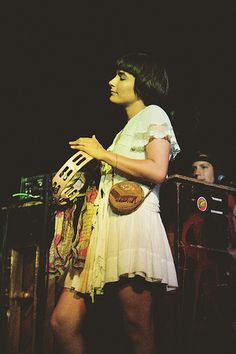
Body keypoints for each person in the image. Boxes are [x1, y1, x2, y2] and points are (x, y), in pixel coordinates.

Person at [49, 52, 180, 354]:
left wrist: (103, 154)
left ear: (142, 82)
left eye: (122, 76)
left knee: (136, 327)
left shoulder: (154, 114)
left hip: (132, 226)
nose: (112, 81)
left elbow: (158, 170)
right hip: (102, 229)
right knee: (63, 322)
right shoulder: (124, 131)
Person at [180, 150, 236, 353]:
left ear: (215, 173)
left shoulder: (229, 200)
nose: (197, 172)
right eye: (194, 168)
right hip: (192, 276)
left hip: (225, 273)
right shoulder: (185, 200)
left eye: (204, 167)